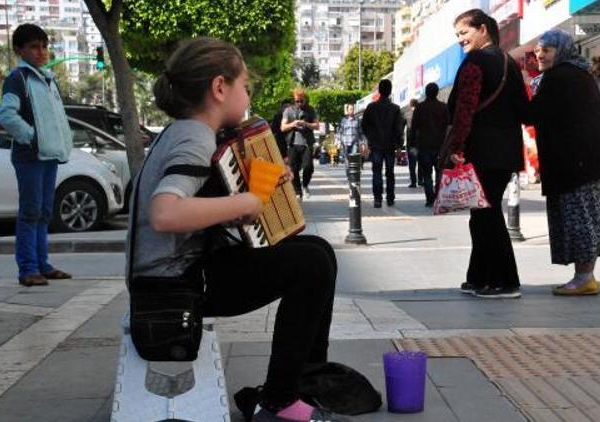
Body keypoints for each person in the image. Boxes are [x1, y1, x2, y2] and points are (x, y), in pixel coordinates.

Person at [133, 38, 349, 422]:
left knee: (317, 251)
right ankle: (280, 402)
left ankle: (300, 382)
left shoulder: (184, 131)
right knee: (310, 264)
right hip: (178, 287)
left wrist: (235, 213)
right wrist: (246, 203)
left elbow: (188, 213)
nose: (247, 93)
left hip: (183, 273)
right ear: (219, 88)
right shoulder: (194, 136)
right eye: (244, 84)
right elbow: (165, 214)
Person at [529, 30, 600, 296]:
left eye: (546, 50)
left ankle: (584, 278)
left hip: (582, 163)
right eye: (538, 50)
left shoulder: (560, 76)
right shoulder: (579, 73)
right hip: (595, 160)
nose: (540, 54)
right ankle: (585, 275)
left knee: (581, 218)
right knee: (589, 217)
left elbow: (532, 113)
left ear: (561, 51)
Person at [445, 9, 528, 299]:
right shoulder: (510, 63)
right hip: (507, 153)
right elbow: (524, 110)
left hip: (481, 151)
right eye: (457, 35)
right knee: (482, 213)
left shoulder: (475, 62)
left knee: (487, 214)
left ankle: (504, 281)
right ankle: (478, 277)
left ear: (482, 29)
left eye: (464, 33)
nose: (460, 40)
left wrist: (456, 147)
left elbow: (463, 109)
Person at [0, 24, 74, 287]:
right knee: (30, 212)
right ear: (19, 50)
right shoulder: (18, 78)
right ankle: (28, 269)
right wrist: (32, 136)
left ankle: (43, 265)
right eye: (34, 46)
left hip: (48, 156)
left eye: (44, 46)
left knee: (43, 212)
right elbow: (7, 115)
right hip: (30, 156)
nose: (41, 51)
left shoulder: (47, 78)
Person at [361, 79, 404, 208]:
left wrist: (370, 138)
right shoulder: (395, 109)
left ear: (379, 91)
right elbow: (399, 128)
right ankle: (390, 198)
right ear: (390, 91)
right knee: (390, 172)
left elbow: (364, 125)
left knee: (377, 172)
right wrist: (399, 146)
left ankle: (377, 199)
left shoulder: (371, 107)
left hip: (376, 145)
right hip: (390, 145)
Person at [411, 83, 448, 207]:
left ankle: (429, 198)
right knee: (439, 173)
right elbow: (448, 127)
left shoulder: (420, 108)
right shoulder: (444, 107)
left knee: (426, 174)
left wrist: (412, 145)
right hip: (440, 146)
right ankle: (438, 196)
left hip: (424, 145)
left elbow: (413, 128)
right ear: (437, 92)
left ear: (426, 93)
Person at [282, 89, 320, 199]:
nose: (299, 103)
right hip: (292, 143)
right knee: (293, 169)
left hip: (306, 143)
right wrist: (293, 124)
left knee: (308, 166)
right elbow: (282, 127)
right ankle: (298, 191)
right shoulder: (288, 111)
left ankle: (305, 185)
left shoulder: (310, 110)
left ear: (305, 99)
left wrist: (306, 124)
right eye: (297, 101)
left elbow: (317, 125)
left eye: (301, 101)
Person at [403, 99, 421, 188]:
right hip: (421, 142)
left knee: (412, 164)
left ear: (410, 105)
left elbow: (402, 127)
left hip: (410, 142)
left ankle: (413, 182)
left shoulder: (407, 114)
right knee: (421, 162)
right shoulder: (422, 114)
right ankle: (421, 180)